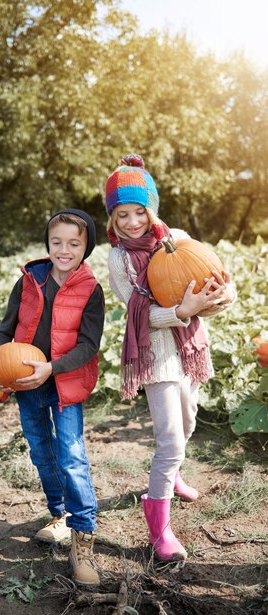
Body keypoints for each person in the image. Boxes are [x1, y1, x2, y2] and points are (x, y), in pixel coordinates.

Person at [105, 153, 235, 561]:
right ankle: (159, 527)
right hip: (155, 356)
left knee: (190, 419)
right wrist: (182, 311)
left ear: (151, 209)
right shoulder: (118, 258)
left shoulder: (175, 238)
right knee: (170, 439)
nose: (131, 222)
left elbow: (214, 280)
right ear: (112, 218)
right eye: (122, 215)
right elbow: (136, 311)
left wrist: (221, 297)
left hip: (189, 349)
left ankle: (174, 473)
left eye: (138, 211)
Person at [0, 209, 105, 586]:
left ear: (86, 246)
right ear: (47, 244)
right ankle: (60, 516)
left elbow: (88, 345)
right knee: (40, 449)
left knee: (71, 454)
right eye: (57, 242)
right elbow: (6, 329)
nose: (64, 250)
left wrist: (52, 368)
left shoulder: (91, 289)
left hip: (64, 382)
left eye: (74, 243)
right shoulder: (28, 282)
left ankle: (83, 538)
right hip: (25, 382)